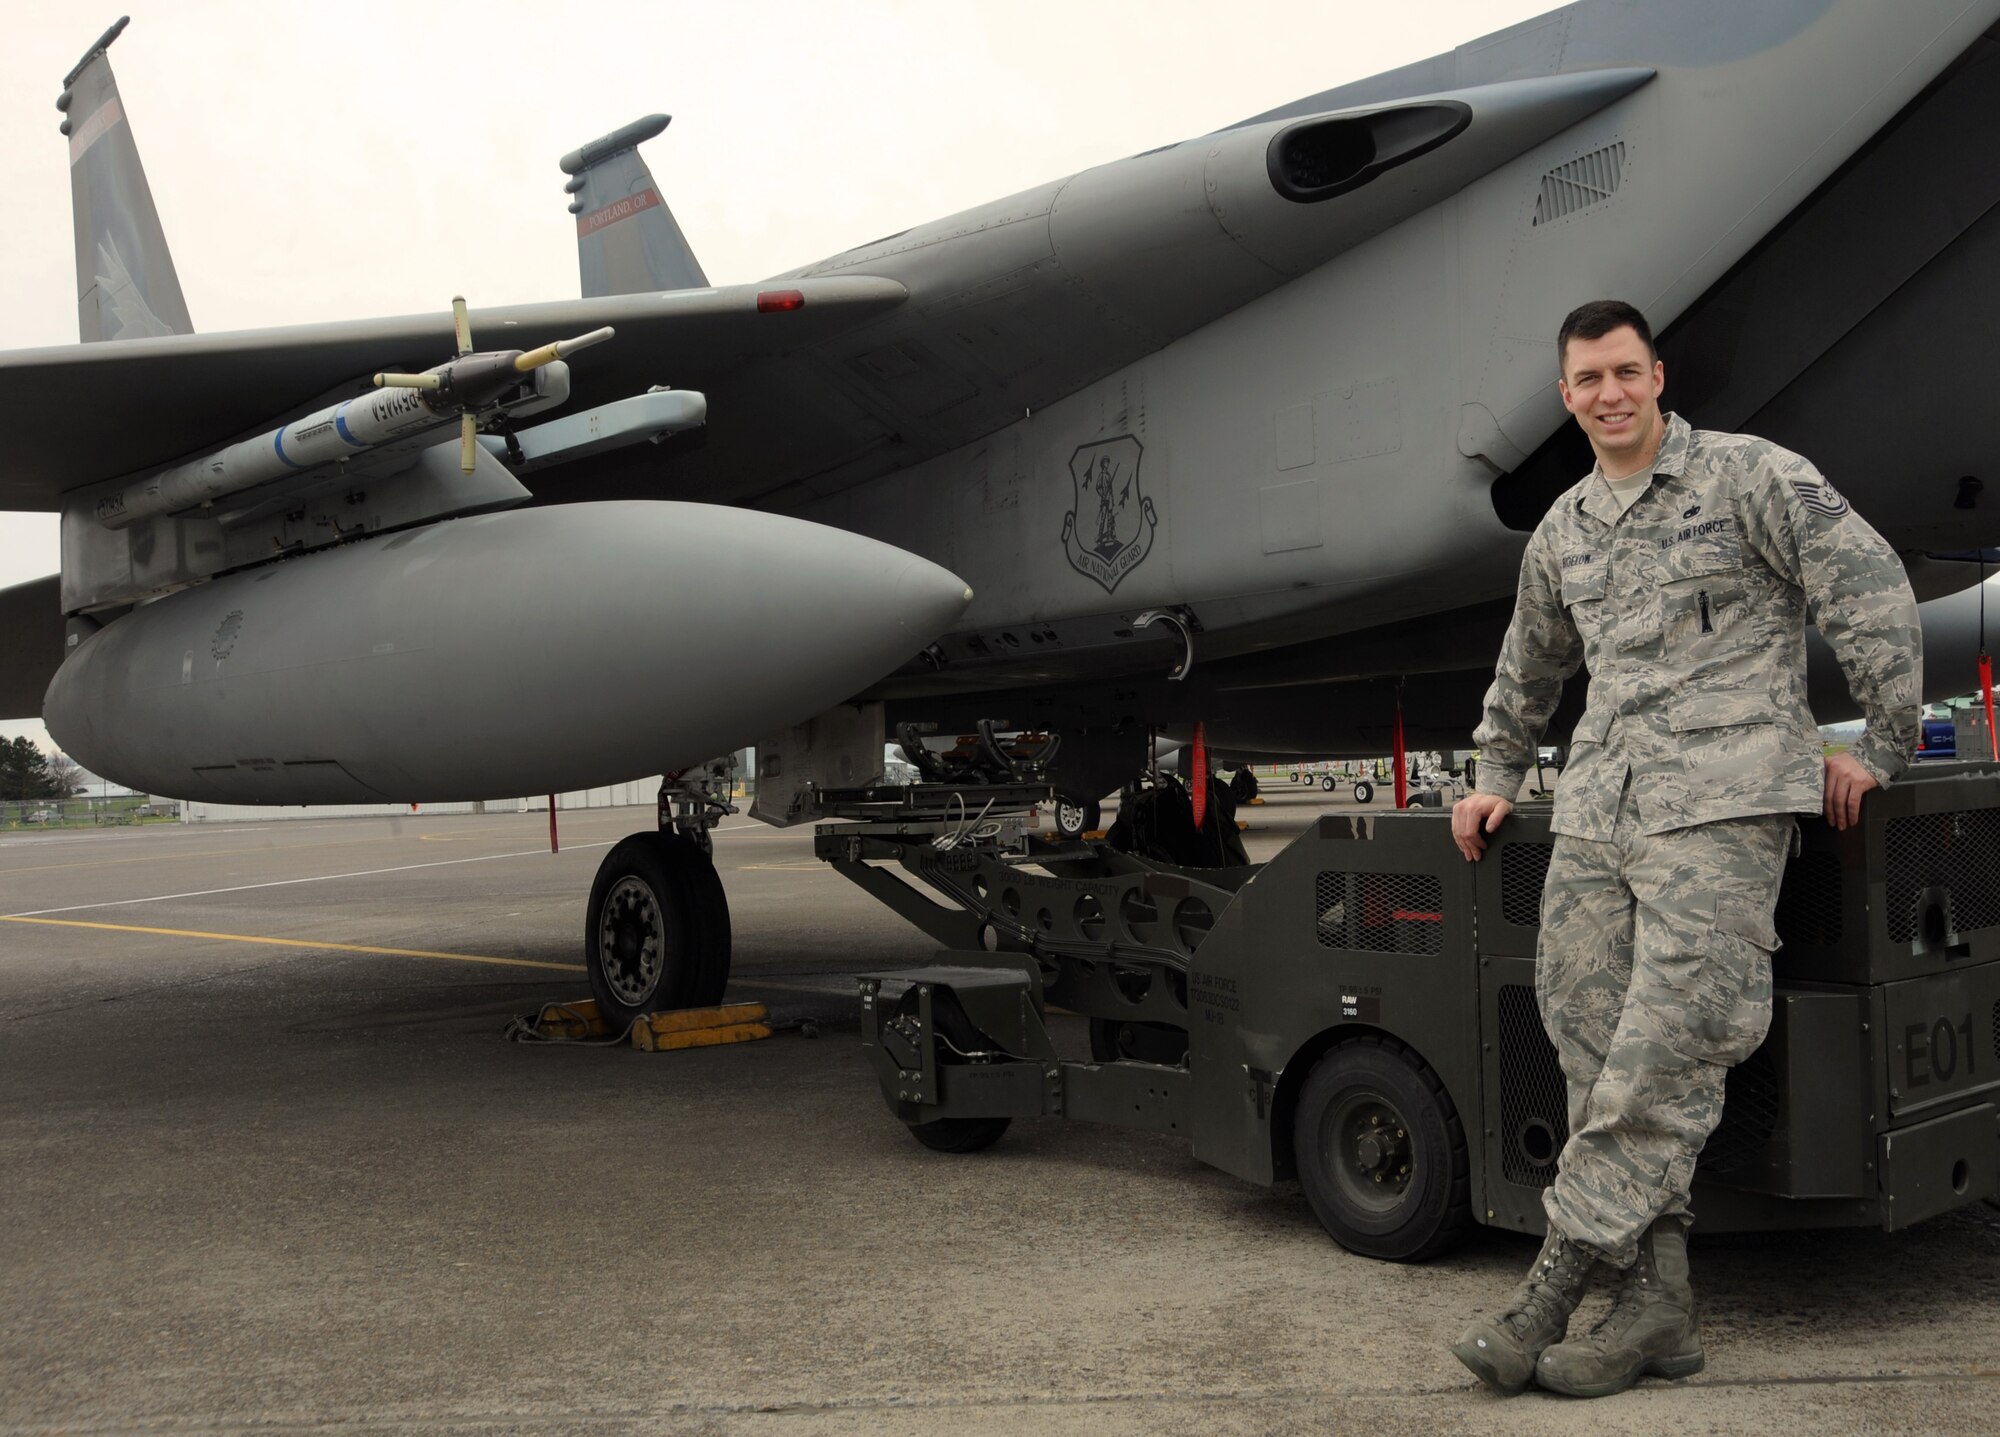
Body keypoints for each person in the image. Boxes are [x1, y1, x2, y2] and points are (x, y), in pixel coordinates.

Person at [1447, 300, 1921, 1398]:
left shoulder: (1750, 477)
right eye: (1584, 381)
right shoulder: (1563, 525)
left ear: (1655, 375)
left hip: (1719, 807)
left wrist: (1881, 746)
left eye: (1623, 371)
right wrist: (1491, 777)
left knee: (1670, 1039)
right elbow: (1528, 667)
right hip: (1599, 810)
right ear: (1564, 398)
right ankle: (1658, 1303)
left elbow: (1868, 586)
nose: (1607, 395)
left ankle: (1553, 1287)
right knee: (1585, 1034)